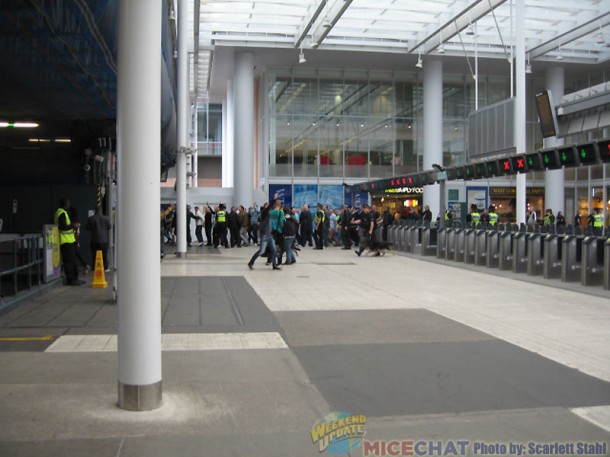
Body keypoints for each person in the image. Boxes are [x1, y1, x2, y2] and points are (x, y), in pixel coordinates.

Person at [54, 198, 84, 286]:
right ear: (65, 204)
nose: (69, 205)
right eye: (68, 204)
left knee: (73, 260)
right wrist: (73, 225)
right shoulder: (61, 213)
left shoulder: (64, 213)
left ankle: (75, 279)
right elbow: (63, 226)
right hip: (65, 241)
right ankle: (70, 280)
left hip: (70, 240)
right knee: (69, 261)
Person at [247, 202, 280, 270]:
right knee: (261, 251)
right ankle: (251, 262)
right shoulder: (264, 213)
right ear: (266, 207)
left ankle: (274, 265)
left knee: (274, 250)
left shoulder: (269, 214)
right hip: (264, 236)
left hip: (269, 235)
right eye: (268, 206)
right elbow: (269, 207)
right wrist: (274, 199)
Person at [86, 206, 112, 272]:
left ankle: (95, 267)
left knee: (94, 255)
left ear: (95, 211)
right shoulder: (106, 218)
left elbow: (88, 228)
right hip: (104, 240)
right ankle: (105, 267)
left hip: (94, 240)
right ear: (101, 210)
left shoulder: (91, 218)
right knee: (104, 254)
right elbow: (109, 227)